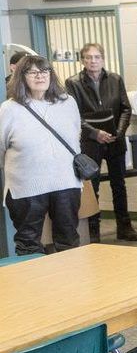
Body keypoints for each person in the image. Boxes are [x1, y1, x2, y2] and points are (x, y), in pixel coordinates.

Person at [0, 56, 82, 254]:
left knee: (69, 240)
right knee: (28, 244)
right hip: (26, 186)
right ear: (21, 76)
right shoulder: (9, 109)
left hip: (66, 182)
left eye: (45, 71)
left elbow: (76, 135)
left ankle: (71, 283)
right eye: (33, 72)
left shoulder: (68, 102)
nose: (40, 76)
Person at [65, 43, 137, 242]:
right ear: (82, 60)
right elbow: (73, 115)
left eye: (97, 57)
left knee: (119, 184)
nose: (93, 61)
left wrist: (118, 131)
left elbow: (125, 108)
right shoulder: (73, 83)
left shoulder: (115, 79)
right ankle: (93, 232)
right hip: (91, 142)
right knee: (93, 187)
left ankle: (124, 227)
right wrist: (94, 133)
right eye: (88, 57)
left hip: (115, 139)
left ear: (103, 59)